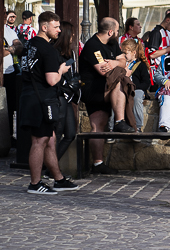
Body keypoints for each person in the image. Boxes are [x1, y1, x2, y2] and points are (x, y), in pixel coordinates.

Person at [18, 11, 78, 194]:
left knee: (51, 140)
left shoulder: (29, 45)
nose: (59, 30)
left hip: (30, 96)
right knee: (40, 140)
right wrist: (61, 69)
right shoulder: (48, 50)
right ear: (44, 27)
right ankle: (35, 184)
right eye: (56, 26)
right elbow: (52, 80)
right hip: (41, 100)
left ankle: (58, 179)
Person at [80, 18, 133, 174]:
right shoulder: (92, 46)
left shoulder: (112, 43)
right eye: (117, 31)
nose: (118, 33)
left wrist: (116, 63)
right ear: (110, 32)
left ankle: (98, 164)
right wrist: (120, 68)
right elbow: (103, 70)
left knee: (99, 125)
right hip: (93, 90)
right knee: (120, 81)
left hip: (104, 87)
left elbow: (124, 60)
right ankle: (119, 121)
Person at [53, 21, 80, 161]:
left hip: (68, 97)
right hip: (58, 96)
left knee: (70, 134)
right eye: (71, 32)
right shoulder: (54, 52)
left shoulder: (71, 53)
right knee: (57, 134)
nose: (73, 35)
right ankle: (50, 169)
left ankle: (52, 168)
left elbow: (73, 73)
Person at [121, 38, 161, 131]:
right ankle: (113, 126)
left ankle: (138, 126)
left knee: (136, 98)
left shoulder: (140, 65)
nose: (123, 55)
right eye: (122, 53)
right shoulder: (121, 64)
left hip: (137, 89)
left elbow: (146, 83)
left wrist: (134, 87)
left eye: (125, 53)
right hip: (123, 88)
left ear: (133, 52)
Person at [3, 9, 23, 147]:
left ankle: (9, 135)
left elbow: (19, 46)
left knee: (10, 106)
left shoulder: (9, 30)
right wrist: (11, 48)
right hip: (2, 72)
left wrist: (10, 48)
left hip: (11, 71)